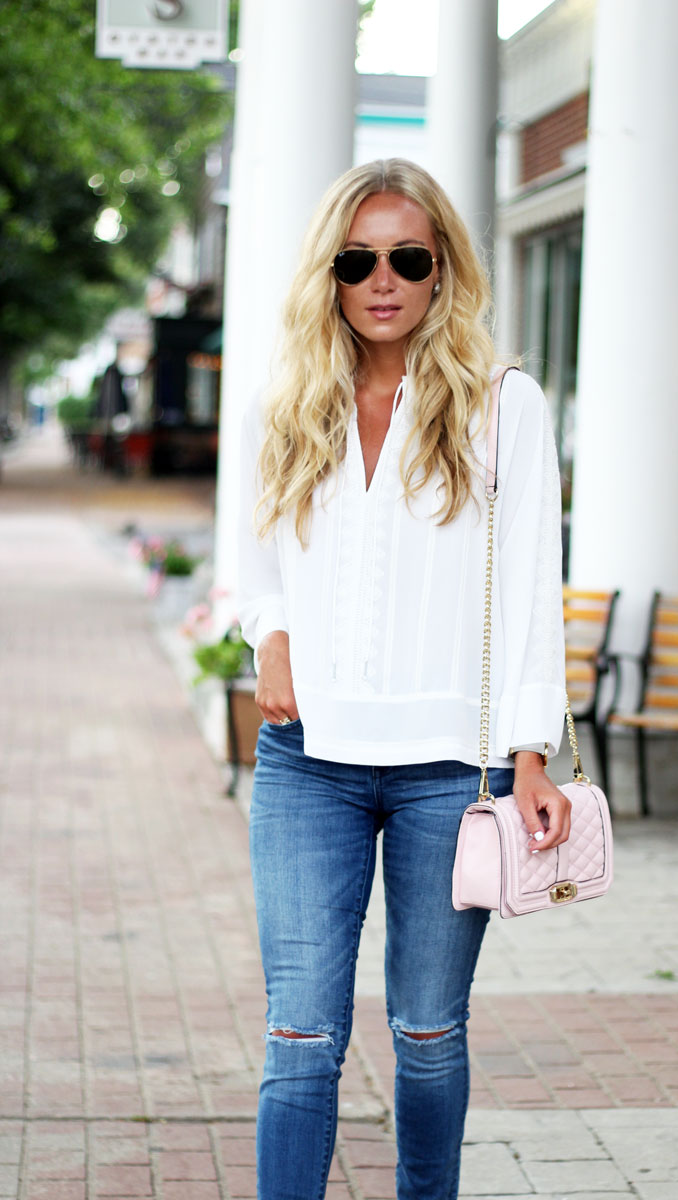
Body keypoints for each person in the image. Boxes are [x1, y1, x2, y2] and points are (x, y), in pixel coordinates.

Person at [237, 158, 570, 1200]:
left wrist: (530, 756)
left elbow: (531, 587)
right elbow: (251, 556)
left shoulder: (501, 405)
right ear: (330, 274)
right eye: (358, 258)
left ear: (440, 272)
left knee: (426, 1033)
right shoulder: (289, 400)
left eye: (407, 257)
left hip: (448, 771)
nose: (383, 279)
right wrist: (270, 632)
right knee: (299, 1034)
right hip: (307, 763)